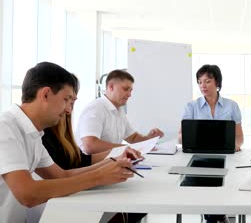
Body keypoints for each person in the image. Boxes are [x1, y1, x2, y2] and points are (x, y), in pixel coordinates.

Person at [0, 62, 136, 223]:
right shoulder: (5, 127)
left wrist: (112, 163)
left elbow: (60, 175)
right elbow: (27, 194)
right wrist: (100, 176)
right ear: (45, 94)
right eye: (66, 100)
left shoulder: (34, 134)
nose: (69, 110)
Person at [41, 73, 146, 223]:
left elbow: (80, 160)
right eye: (66, 100)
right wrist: (102, 172)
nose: (69, 110)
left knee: (132, 205)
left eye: (72, 102)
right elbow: (64, 173)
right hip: (59, 206)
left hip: (71, 197)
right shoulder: (41, 134)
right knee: (129, 207)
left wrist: (116, 157)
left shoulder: (60, 129)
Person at [78, 69, 164, 154]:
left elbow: (133, 138)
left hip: (108, 163)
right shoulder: (96, 108)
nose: (129, 94)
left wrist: (150, 138)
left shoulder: (119, 110)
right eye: (126, 89)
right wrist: (127, 148)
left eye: (130, 90)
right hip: (90, 165)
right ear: (111, 87)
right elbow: (90, 146)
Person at [178, 64, 244, 151]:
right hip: (198, 152)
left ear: (217, 82)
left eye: (207, 81)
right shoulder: (191, 107)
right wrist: (188, 138)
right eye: (200, 82)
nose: (203, 86)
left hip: (225, 153)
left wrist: (236, 145)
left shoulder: (232, 105)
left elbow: (239, 137)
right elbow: (180, 138)